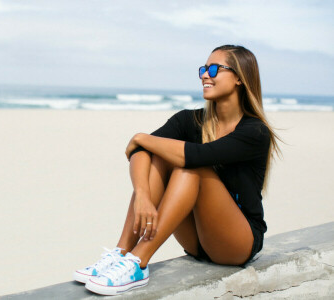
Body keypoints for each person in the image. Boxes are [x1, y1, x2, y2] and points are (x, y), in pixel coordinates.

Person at [73, 44, 281, 296]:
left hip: (237, 242)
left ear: (239, 78)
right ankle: (123, 252)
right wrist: (142, 194)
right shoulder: (188, 120)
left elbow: (196, 156)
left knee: (189, 168)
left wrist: (140, 137)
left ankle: (138, 262)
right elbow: (140, 154)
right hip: (195, 240)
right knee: (160, 158)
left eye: (215, 68)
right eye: (203, 69)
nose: (206, 74)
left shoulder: (254, 131)